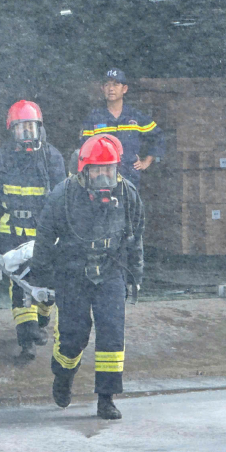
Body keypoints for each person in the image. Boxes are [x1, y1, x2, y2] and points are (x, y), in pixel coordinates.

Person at [30, 134, 144, 420]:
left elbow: (136, 237)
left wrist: (136, 275)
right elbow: (44, 238)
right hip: (72, 274)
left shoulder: (128, 194)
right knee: (72, 337)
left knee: (111, 337)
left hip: (111, 271)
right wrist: (40, 279)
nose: (104, 175)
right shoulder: (63, 195)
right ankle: (63, 376)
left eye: (109, 169)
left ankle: (106, 399)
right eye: (97, 170)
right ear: (84, 171)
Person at [0, 100, 66, 362]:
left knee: (46, 284)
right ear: (11, 131)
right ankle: (26, 338)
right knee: (19, 283)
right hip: (11, 234)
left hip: (44, 235)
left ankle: (39, 322)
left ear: (40, 129)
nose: (27, 134)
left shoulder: (52, 158)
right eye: (21, 129)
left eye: (31, 128)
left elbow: (63, 200)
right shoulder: (0, 160)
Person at [79, 69, 164, 190]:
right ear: (102, 89)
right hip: (102, 179)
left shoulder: (136, 117)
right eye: (107, 84)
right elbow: (84, 148)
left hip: (130, 176)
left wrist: (147, 161)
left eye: (115, 84)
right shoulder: (94, 118)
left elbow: (158, 137)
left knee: (129, 207)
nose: (111, 88)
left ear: (124, 89)